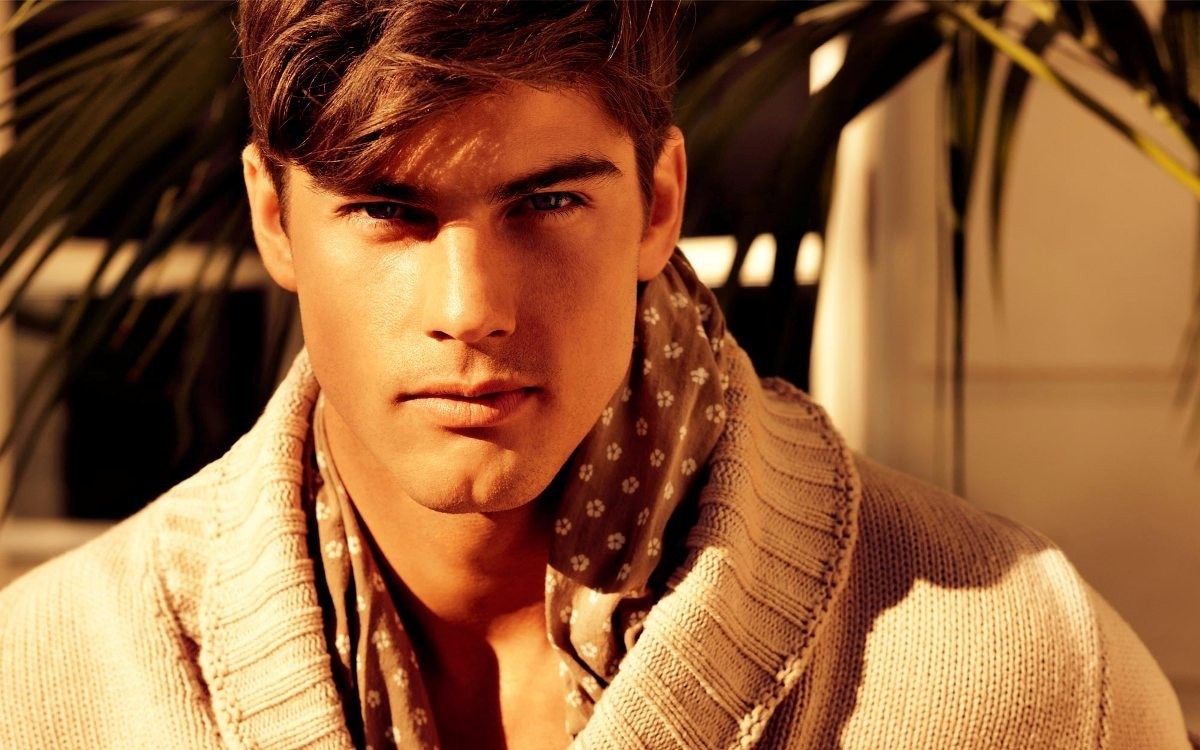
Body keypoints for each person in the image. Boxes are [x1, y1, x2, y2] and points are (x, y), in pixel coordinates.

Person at [1, 2, 1194, 748]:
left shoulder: (1025, 676)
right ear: (273, 216)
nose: (472, 311)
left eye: (547, 202)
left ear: (658, 202)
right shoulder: (43, 685)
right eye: (388, 212)